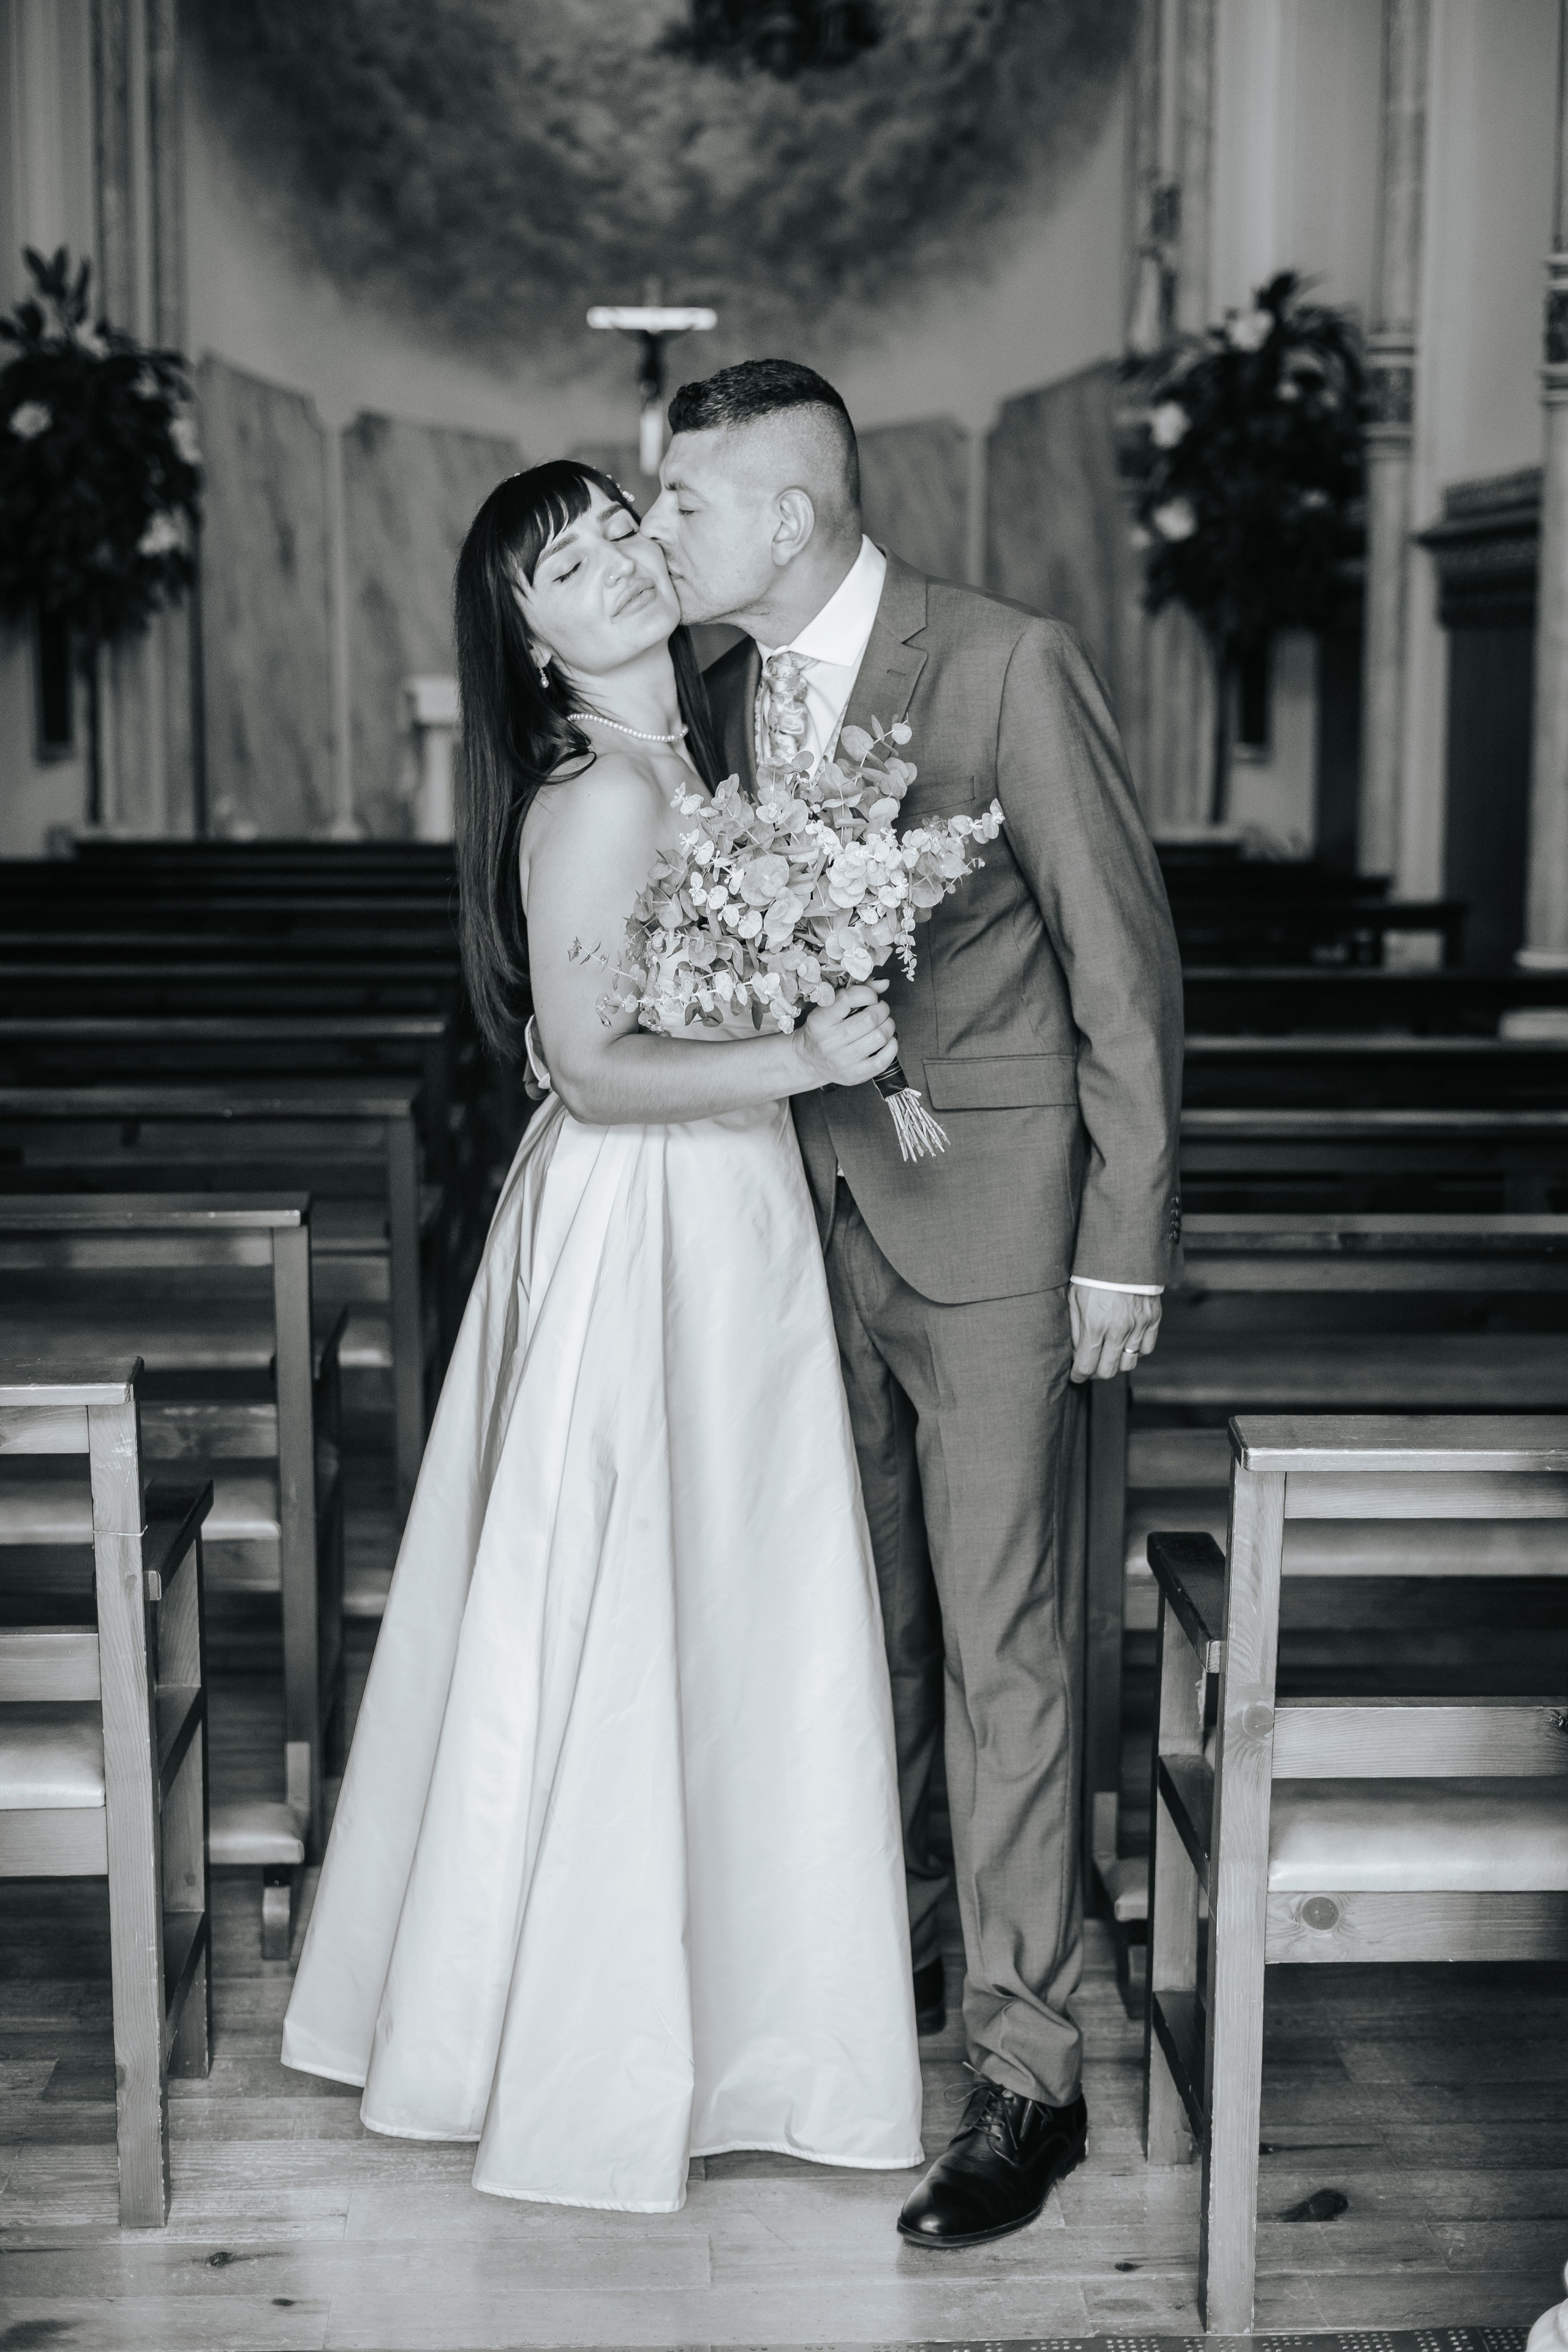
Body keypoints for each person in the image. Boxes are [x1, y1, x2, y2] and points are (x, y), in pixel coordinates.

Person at [279, 460, 924, 2212]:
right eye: (563, 565)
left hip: (730, 1212)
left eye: (620, 530)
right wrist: (808, 1057)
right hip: (648, 1224)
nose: (617, 565)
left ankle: (737, 2020)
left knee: (732, 1600)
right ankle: (602, 2037)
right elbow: (582, 1066)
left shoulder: (696, 761)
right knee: (642, 1596)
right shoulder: (595, 797)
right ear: (530, 641)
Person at [643, 360, 1184, 2250]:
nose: (659, 532)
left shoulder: (1004, 664)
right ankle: (890, 1986)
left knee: (1004, 1647)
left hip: (992, 1238)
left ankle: (1027, 2079)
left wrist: (1124, 1237)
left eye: (686, 502)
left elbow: (1123, 966)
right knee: (852, 1636)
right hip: (800, 1226)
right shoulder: (711, 703)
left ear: (787, 518)